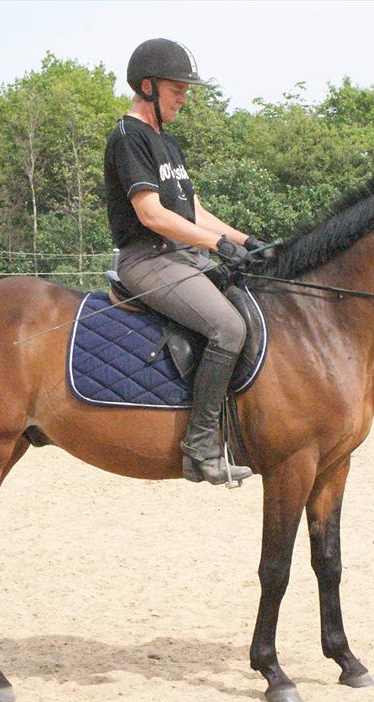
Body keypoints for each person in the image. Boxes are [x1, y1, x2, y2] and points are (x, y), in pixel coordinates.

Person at [104, 38, 267, 486]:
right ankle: (200, 449)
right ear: (148, 86)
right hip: (148, 259)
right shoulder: (128, 136)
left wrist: (247, 240)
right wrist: (217, 244)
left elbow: (191, 211)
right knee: (228, 327)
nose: (184, 97)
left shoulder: (167, 143)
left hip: (182, 256)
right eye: (178, 89)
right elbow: (152, 215)